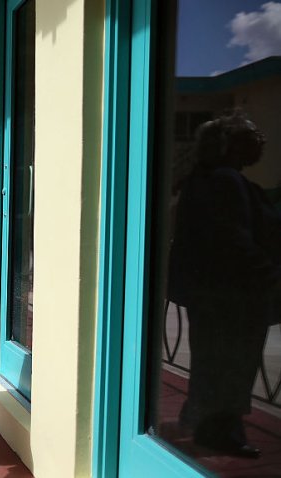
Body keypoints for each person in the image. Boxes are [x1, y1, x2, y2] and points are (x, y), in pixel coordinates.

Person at [168, 112, 278, 459]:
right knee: (231, 367)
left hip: (213, 298)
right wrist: (271, 276)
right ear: (230, 146)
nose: (259, 143)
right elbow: (233, 243)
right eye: (250, 138)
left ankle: (206, 422)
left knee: (212, 363)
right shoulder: (224, 182)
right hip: (231, 300)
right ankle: (221, 432)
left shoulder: (203, 180)